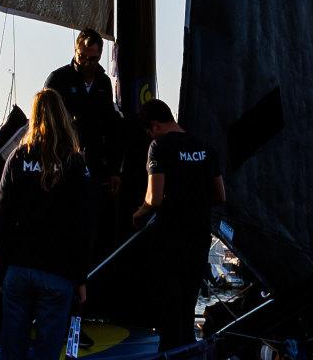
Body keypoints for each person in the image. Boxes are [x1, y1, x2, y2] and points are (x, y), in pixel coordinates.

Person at [0, 89, 94, 360]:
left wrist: (2, 267)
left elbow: (2, 218)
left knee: (12, 351)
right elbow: (82, 224)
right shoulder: (75, 163)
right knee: (47, 352)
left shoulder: (18, 158)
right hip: (57, 272)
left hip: (19, 268)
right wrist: (81, 277)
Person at [130, 99, 223, 355]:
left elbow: (154, 197)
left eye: (149, 131)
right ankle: (187, 352)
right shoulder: (205, 148)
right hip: (199, 237)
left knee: (169, 312)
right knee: (187, 309)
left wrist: (138, 214)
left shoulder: (159, 147)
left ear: (155, 125)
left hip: (170, 240)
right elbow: (220, 196)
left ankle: (170, 353)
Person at [43, 29, 122, 194]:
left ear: (100, 56)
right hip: (64, 160)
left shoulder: (103, 83)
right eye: (82, 57)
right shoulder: (58, 79)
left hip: (95, 162)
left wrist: (114, 169)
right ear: (75, 51)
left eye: (92, 59)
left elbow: (111, 127)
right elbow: (45, 123)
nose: (86, 63)